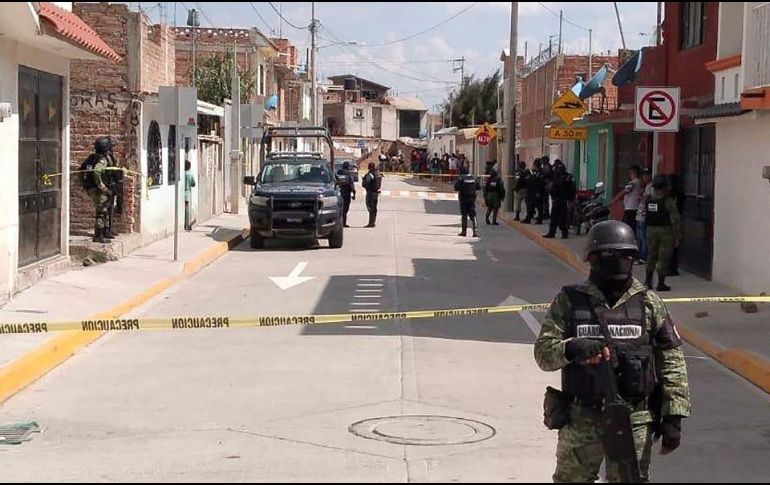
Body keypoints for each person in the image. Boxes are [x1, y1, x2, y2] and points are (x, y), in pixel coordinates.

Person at [534, 220, 691, 483]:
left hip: (634, 420)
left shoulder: (649, 303)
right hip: (581, 418)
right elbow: (543, 354)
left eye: (626, 255)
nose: (619, 261)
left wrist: (673, 416)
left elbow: (672, 360)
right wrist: (572, 347)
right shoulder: (570, 301)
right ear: (593, 258)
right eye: (610, 254)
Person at [645, 175, 681, 291]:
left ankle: (647, 281)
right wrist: (677, 236)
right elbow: (675, 219)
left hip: (650, 230)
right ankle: (660, 283)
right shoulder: (667, 201)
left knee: (651, 255)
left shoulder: (648, 199)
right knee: (663, 257)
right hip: (665, 231)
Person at [81, 137, 113, 243]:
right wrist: (102, 187)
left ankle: (105, 232)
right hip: (98, 189)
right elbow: (96, 172)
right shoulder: (102, 159)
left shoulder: (91, 157)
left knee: (105, 209)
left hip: (91, 188)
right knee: (102, 211)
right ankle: (99, 236)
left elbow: (81, 170)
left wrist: (84, 185)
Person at [543, 160, 576, 239]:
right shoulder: (565, 177)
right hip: (560, 200)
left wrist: (571, 199)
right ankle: (558, 233)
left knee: (559, 218)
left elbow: (571, 189)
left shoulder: (562, 177)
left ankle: (557, 233)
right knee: (559, 217)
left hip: (561, 200)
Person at [611, 165, 644, 230]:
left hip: (631, 208)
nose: (629, 175)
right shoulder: (639, 182)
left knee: (627, 228)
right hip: (632, 208)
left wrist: (613, 200)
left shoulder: (635, 182)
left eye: (630, 173)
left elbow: (625, 191)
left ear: (634, 172)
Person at [666, 174, 685, 276]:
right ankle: (672, 267)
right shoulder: (679, 194)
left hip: (672, 221)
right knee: (674, 245)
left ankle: (671, 267)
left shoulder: (671, 194)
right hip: (675, 220)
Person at [454, 166, 481, 237]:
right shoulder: (473, 178)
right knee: (473, 215)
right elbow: (479, 187)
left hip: (463, 199)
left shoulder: (461, 178)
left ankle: (464, 232)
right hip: (472, 199)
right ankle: (475, 231)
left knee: (464, 215)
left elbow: (456, 188)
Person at [635, 168, 653, 263]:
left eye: (647, 175)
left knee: (643, 237)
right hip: (640, 214)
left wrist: (641, 197)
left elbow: (647, 199)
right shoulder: (646, 186)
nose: (645, 177)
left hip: (644, 214)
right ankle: (640, 255)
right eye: (644, 175)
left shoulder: (651, 187)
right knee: (639, 237)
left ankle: (643, 257)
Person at [361, 162, 382, 228]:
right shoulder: (377, 173)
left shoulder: (371, 174)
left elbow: (366, 182)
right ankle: (373, 222)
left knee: (370, 208)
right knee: (374, 208)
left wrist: (364, 182)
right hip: (376, 192)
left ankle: (371, 223)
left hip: (370, 193)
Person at [337, 161, 356, 228]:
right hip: (346, 193)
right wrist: (354, 192)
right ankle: (343, 223)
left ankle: (339, 223)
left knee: (340, 209)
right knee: (345, 209)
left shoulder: (339, 173)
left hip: (339, 192)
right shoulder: (348, 174)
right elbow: (351, 183)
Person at [184, 160, 196, 231]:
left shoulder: (182, 174)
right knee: (187, 210)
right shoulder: (190, 174)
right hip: (187, 192)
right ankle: (187, 224)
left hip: (181, 193)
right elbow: (193, 183)